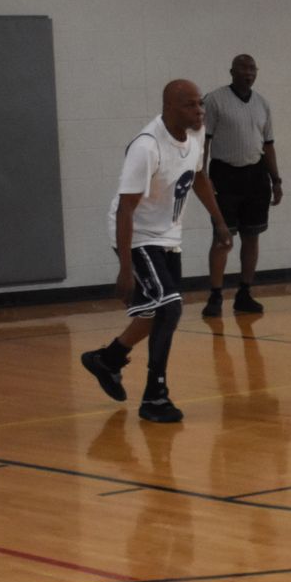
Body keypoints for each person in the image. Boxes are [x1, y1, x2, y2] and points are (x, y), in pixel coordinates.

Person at [79, 80, 229, 423]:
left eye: (200, 104)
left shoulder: (195, 135)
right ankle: (155, 396)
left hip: (167, 236)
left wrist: (219, 221)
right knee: (169, 307)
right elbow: (125, 209)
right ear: (170, 108)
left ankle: (108, 360)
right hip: (137, 234)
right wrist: (124, 268)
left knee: (156, 311)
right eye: (191, 105)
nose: (199, 111)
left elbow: (199, 175)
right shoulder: (147, 146)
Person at [200, 54, 283, 318]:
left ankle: (244, 293)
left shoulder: (262, 104)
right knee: (223, 237)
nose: (249, 73)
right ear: (232, 71)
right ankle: (215, 295)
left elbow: (268, 144)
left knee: (252, 236)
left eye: (252, 69)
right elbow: (204, 141)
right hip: (224, 175)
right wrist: (202, 174)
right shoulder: (214, 100)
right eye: (243, 68)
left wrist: (276, 179)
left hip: (256, 175)